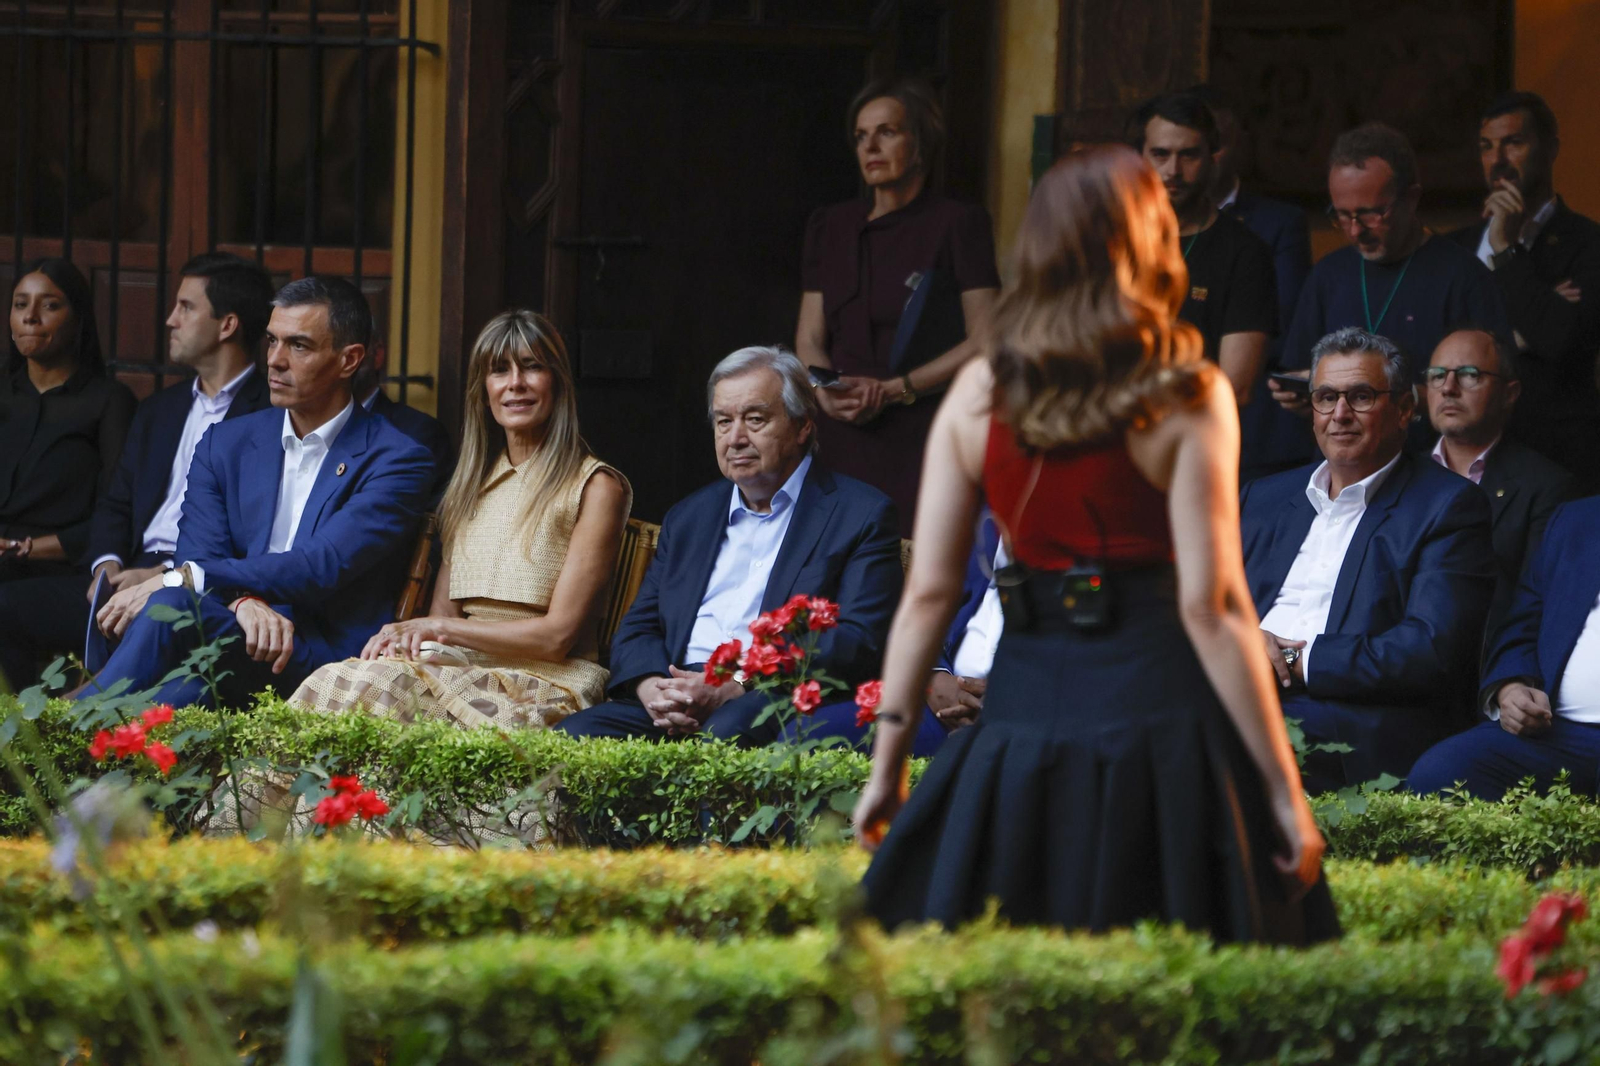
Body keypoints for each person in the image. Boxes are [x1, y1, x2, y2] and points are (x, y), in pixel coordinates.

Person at [854, 147, 1337, 943]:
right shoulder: (1189, 390)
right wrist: (1284, 794)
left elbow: (928, 597)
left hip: (1025, 711)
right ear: (1149, 240)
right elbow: (1214, 608)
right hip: (1164, 717)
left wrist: (887, 765)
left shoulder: (981, 389)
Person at [80, 276, 435, 708]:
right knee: (181, 674)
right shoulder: (224, 443)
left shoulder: (398, 458)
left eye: (299, 346)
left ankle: (68, 725)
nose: (275, 361)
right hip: (231, 629)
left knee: (174, 611)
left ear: (349, 360)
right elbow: (201, 554)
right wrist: (242, 601)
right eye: (271, 341)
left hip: (320, 654)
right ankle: (73, 729)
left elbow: (319, 565)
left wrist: (189, 578)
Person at [291, 310, 630, 729]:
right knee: (335, 680)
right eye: (498, 370)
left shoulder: (596, 486)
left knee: (383, 697)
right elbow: (443, 620)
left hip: (547, 683)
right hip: (458, 669)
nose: (515, 383)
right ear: (483, 390)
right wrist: (404, 639)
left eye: (532, 367)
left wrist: (436, 629)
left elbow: (557, 638)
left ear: (557, 382)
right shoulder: (469, 488)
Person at [558, 346, 902, 748]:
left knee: (721, 738)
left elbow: (857, 641)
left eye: (755, 420)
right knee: (572, 738)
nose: (736, 438)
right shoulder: (690, 517)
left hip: (766, 694)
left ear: (803, 426)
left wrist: (737, 681)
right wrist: (652, 688)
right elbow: (639, 627)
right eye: (724, 421)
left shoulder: (860, 514)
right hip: (676, 689)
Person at [1245, 327, 1496, 793]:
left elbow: (1430, 651)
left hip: (1351, 719)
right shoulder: (1264, 497)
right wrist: (1241, 641)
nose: (1340, 414)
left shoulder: (1448, 506)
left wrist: (1295, 658)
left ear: (1404, 410)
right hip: (1242, 687)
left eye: (1361, 396)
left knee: (1225, 741)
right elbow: (1209, 604)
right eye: (1325, 397)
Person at [796, 76, 1000, 536]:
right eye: (862, 136)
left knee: (909, 560)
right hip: (840, 427)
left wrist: (894, 390)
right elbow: (809, 336)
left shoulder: (957, 223)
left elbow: (988, 339)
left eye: (887, 132)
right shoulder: (830, 225)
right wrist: (823, 390)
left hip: (921, 429)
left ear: (922, 143)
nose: (871, 146)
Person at [71, 253, 276, 674]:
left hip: (203, 582)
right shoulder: (159, 409)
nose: (170, 319)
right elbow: (116, 503)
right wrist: (107, 566)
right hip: (124, 572)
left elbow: (252, 528)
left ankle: (82, 716)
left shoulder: (271, 412)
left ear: (228, 324)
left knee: (158, 615)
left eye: (186, 307)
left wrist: (160, 573)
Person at [1269, 124, 1512, 456]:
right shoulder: (1328, 274)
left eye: (1371, 214)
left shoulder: (1464, 276)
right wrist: (1307, 393)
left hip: (1432, 470)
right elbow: (1300, 369)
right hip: (1343, 473)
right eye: (1342, 216)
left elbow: (1491, 395)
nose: (1356, 231)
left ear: (1411, 199)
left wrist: (1383, 396)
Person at [1443, 92, 1600, 493]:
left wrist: (1505, 250)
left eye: (1513, 142)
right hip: (1455, 463)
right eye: (1486, 146)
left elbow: (1564, 340)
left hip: (1556, 460)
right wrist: (1519, 335)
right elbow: (1431, 342)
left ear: (1550, 149)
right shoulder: (1453, 249)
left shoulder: (1587, 243)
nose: (1497, 159)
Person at [0, 258, 136, 691]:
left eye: (49, 305)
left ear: (77, 319)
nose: (30, 316)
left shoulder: (107, 400)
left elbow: (118, 508)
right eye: (21, 303)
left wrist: (26, 548)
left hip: (63, 570)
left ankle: (18, 744)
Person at [1408, 495, 1600, 800]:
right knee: (1442, 774)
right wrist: (1513, 686)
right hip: (1560, 734)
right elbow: (1524, 622)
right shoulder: (1578, 518)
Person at [1190, 84, 1316, 483]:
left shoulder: (1278, 225)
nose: (1211, 157)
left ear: (1239, 144)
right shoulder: (1145, 227)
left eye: (1219, 143)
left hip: (1255, 432)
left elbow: (1282, 322)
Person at [1424, 327, 1570, 638]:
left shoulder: (1547, 487)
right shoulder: (1399, 473)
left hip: (1482, 664)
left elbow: (1532, 607)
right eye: (1437, 375)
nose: (1448, 388)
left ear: (1510, 393)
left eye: (1469, 374)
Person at [1133, 91, 1276, 406]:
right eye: (1160, 154)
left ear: (1213, 158)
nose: (1173, 170)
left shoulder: (1244, 253)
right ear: (1140, 157)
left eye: (1188, 155)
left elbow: (1234, 390)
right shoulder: (1117, 241)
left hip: (1194, 433)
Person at [354, 320, 455, 501]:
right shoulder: (298, 424)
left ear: (377, 354)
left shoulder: (418, 435)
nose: (342, 360)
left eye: (353, 352)